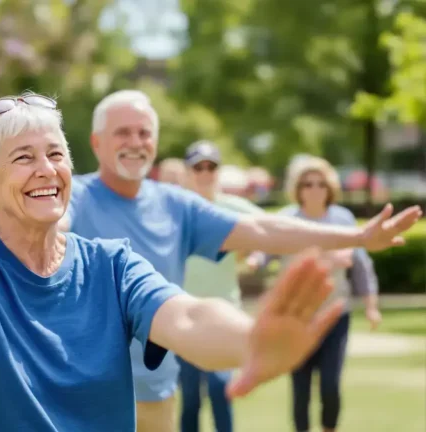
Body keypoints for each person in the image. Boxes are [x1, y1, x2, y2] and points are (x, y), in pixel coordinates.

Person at [0, 93, 419, 432]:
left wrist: (252, 339)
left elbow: (189, 318)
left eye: (55, 153)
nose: (46, 169)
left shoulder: (112, 266)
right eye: (23, 158)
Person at [60, 89, 422, 432]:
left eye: (144, 133)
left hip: (156, 393)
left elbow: (262, 228)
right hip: (84, 393)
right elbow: (52, 222)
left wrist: (358, 237)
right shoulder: (76, 196)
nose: (136, 142)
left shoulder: (175, 205)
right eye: (123, 132)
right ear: (97, 142)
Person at [248, 156, 381, 432]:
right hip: (297, 316)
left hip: (335, 316)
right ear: (298, 188)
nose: (314, 189)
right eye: (307, 184)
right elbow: (266, 248)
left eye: (321, 183)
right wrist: (254, 259)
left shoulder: (342, 219)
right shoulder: (287, 219)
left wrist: (371, 306)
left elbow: (361, 266)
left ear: (330, 187)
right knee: (301, 387)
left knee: (330, 384)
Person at [176, 141, 264, 432]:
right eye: (198, 167)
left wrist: (255, 256)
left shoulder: (234, 208)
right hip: (183, 315)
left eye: (210, 167)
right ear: (187, 172)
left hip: (225, 314)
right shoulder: (175, 208)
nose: (204, 173)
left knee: (220, 388)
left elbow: (270, 231)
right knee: (190, 398)